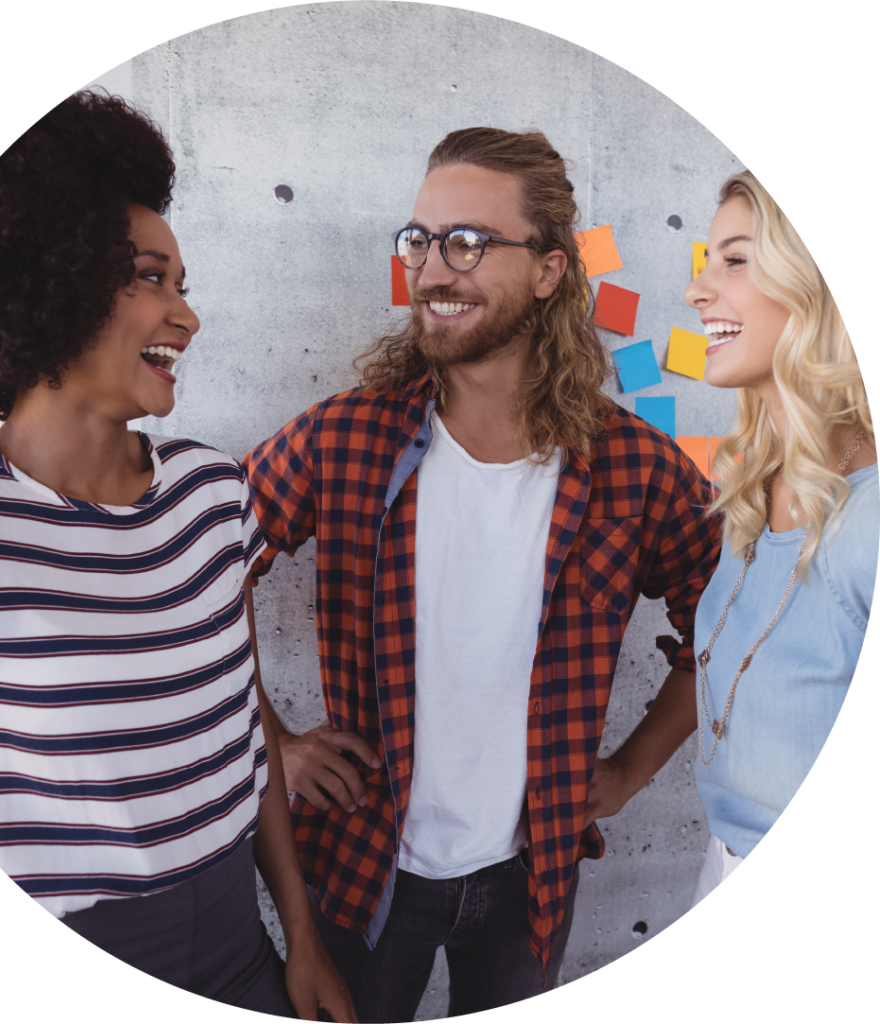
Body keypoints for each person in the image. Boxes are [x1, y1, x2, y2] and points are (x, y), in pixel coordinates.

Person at [0, 90, 356, 1022]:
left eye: (185, 285)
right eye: (152, 278)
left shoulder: (214, 494)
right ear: (50, 279)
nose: (187, 318)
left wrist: (302, 940)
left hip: (239, 938)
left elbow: (241, 719)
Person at [242, 126, 722, 1020]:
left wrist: (628, 773)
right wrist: (276, 740)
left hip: (531, 877)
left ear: (548, 269)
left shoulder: (635, 468)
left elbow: (727, 632)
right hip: (362, 868)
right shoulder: (342, 438)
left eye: (467, 242)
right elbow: (193, 574)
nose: (432, 269)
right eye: (420, 240)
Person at [682, 170, 876, 905]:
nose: (698, 291)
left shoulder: (870, 520)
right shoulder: (748, 497)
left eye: (735, 259)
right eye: (705, 262)